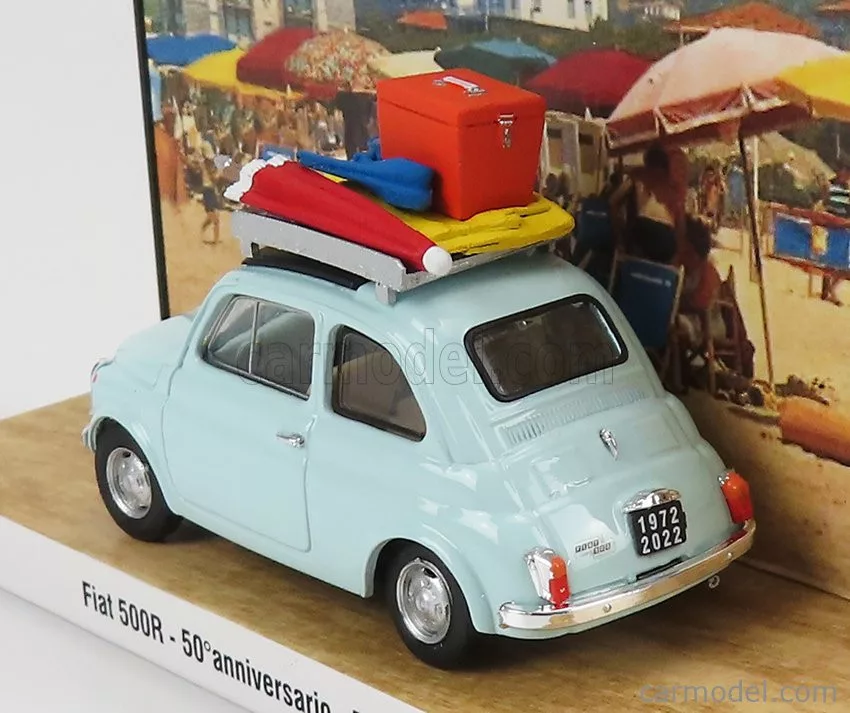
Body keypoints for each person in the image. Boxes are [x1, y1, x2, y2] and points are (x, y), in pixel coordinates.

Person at [609, 142, 687, 264]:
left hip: (642, 232)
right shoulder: (674, 185)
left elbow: (613, 201)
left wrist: (619, 237)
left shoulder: (638, 175)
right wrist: (676, 256)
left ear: (647, 161)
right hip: (668, 241)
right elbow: (681, 225)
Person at [676, 216, 727, 350]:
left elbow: (701, 305)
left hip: (705, 326)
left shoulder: (707, 272)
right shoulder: (683, 268)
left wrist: (675, 302)